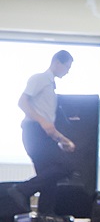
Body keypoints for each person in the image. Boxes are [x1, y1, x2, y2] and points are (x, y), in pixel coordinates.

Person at [9, 50, 77, 213]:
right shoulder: (40, 78)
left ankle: (45, 219)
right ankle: (22, 189)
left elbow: (48, 125)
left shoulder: (51, 87)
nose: (67, 71)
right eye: (67, 67)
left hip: (42, 134)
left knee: (49, 182)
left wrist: (63, 140)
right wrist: (41, 121)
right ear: (57, 62)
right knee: (66, 166)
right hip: (34, 133)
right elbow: (22, 102)